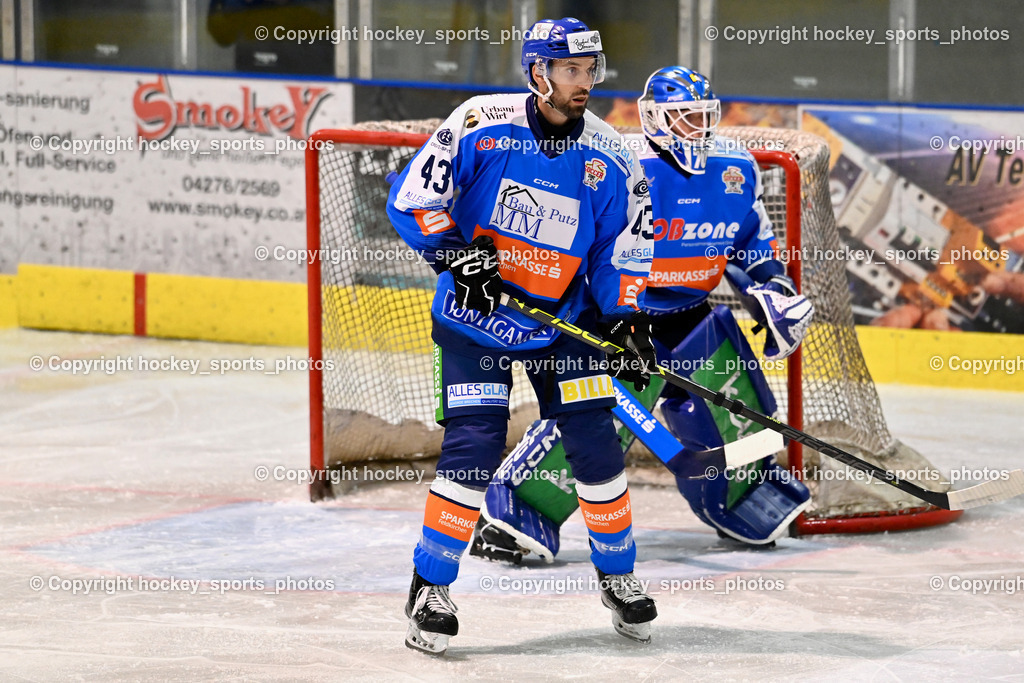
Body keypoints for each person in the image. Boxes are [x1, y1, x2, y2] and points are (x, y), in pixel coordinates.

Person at [386, 18, 659, 654]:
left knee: (594, 444)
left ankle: (619, 579)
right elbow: (412, 199)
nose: (583, 82)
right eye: (571, 71)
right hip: (475, 317)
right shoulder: (480, 124)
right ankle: (430, 587)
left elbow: (626, 245)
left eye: (590, 71)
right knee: (475, 447)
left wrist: (626, 316)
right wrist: (456, 254)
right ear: (538, 73)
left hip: (565, 325)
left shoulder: (611, 155)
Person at [470, 66, 815, 566]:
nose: (696, 128)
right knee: (595, 422)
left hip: (694, 314)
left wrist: (773, 286)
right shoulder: (617, 161)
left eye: (702, 116)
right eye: (683, 117)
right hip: (621, 317)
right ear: (655, 118)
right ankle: (519, 508)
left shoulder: (734, 167)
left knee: (736, 410)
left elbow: (751, 239)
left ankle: (742, 495)